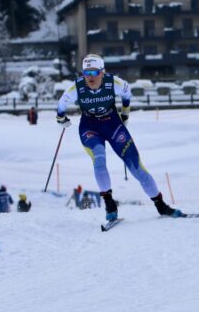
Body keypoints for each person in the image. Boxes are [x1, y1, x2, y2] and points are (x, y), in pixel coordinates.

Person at [56, 53, 179, 222]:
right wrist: (61, 118)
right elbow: (61, 104)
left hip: (113, 124)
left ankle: (161, 205)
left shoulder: (114, 82)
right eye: (86, 73)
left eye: (94, 73)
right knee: (99, 157)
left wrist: (125, 113)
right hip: (90, 127)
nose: (90, 77)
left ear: (102, 72)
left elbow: (127, 95)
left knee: (136, 168)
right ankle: (109, 202)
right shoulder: (77, 87)